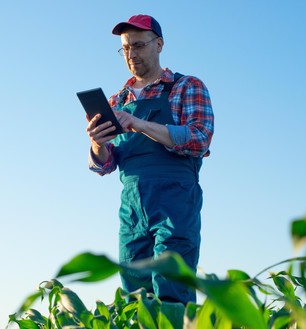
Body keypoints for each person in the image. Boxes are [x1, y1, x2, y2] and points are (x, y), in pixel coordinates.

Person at [85, 14, 214, 304]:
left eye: (139, 46)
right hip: (132, 208)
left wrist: (139, 124)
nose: (132, 54)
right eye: (126, 48)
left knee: (172, 291)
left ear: (159, 44)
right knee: (135, 298)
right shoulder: (117, 101)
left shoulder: (186, 87)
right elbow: (105, 164)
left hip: (175, 201)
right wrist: (97, 142)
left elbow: (199, 138)